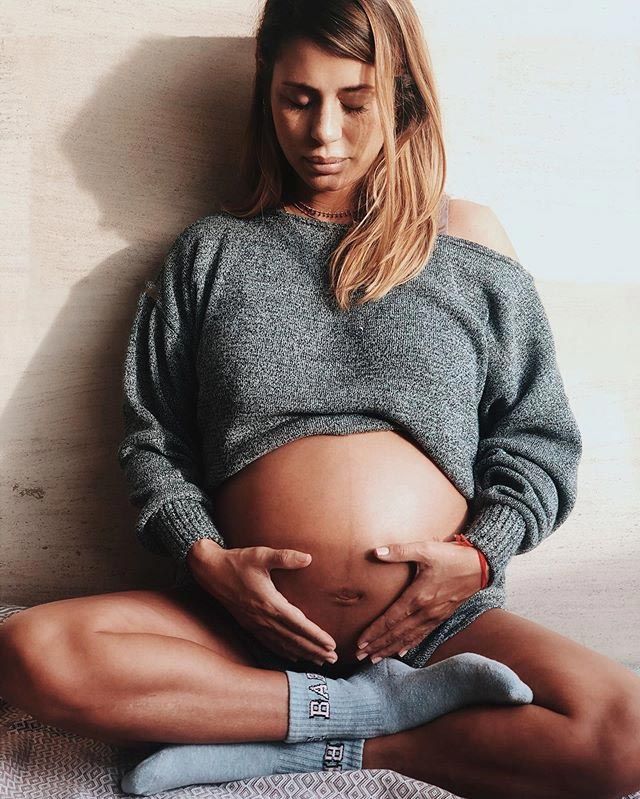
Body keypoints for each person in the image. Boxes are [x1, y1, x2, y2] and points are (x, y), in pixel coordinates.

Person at [1, 1, 640, 797]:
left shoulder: (469, 244)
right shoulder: (213, 252)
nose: (323, 132)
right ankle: (353, 709)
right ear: (266, 94)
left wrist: (477, 559)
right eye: (298, 98)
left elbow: (538, 440)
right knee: (31, 652)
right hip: (239, 626)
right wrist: (208, 563)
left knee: (622, 732)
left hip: (432, 628)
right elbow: (151, 442)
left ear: (403, 96)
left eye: (355, 100)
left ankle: (344, 740)